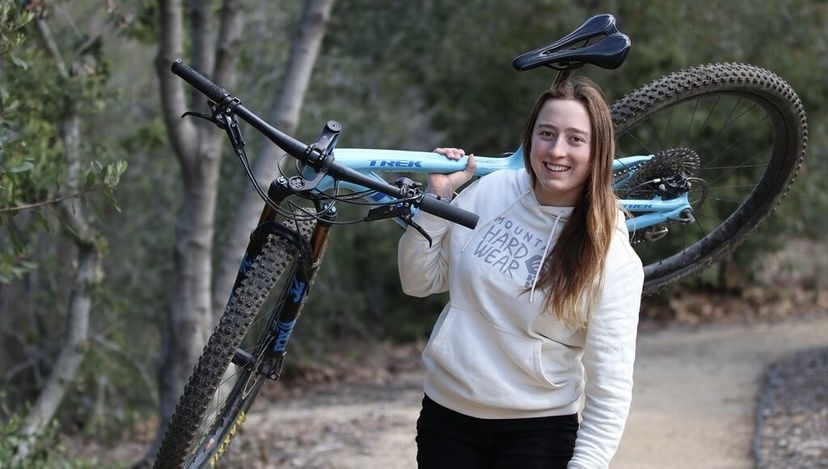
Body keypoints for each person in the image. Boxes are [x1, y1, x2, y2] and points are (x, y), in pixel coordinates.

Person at [397, 75, 644, 469]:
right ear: (530, 138)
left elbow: (609, 386)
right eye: (547, 133)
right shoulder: (491, 191)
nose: (557, 150)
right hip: (446, 414)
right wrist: (437, 202)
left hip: (537, 430)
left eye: (575, 139)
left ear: (598, 152)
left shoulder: (611, 256)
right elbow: (417, 280)